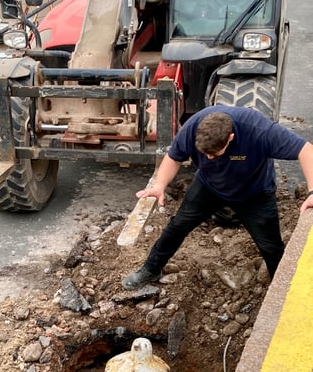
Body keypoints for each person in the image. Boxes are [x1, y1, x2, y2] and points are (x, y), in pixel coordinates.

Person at [122, 105, 313, 290]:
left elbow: (306, 150)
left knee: (271, 247)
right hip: (209, 186)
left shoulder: (258, 130)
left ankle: (282, 290)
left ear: (230, 138)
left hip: (254, 193)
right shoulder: (193, 127)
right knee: (177, 225)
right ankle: (151, 269)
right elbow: (174, 157)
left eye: (214, 153)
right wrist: (159, 185)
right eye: (205, 153)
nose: (209, 158)